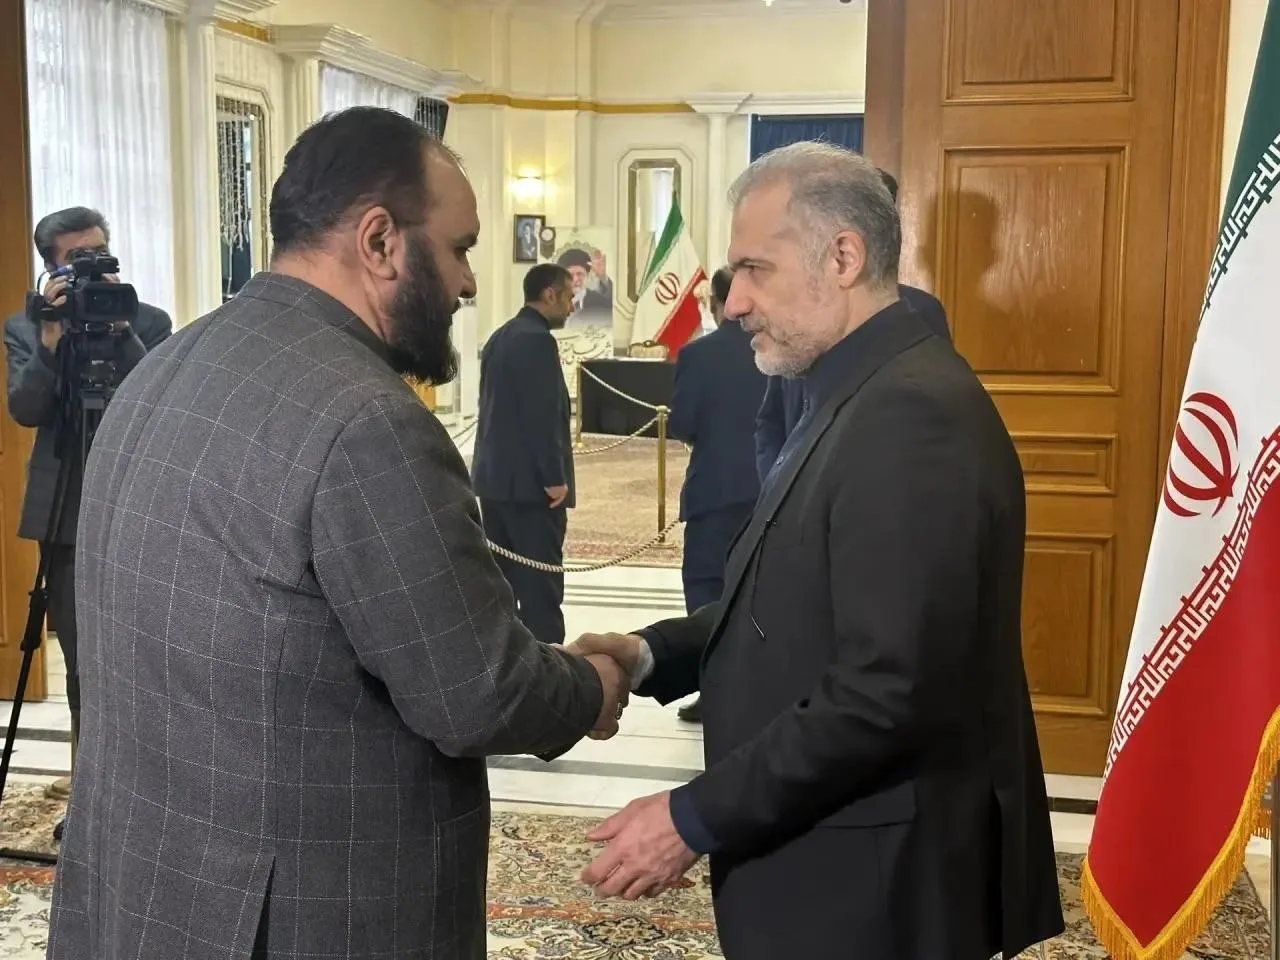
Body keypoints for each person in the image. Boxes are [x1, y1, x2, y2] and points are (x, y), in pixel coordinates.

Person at [46, 107, 630, 960]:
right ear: (381, 240)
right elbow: (477, 692)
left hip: (147, 891)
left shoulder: (165, 365)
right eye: (460, 248)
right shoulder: (368, 422)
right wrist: (591, 684)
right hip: (305, 917)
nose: (470, 283)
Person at [569, 142, 1063, 960]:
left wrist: (691, 819)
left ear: (842, 257)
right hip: (840, 860)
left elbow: (886, 690)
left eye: (755, 270)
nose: (734, 302)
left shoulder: (909, 417)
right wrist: (651, 652)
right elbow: (795, 598)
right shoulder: (850, 386)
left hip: (875, 885)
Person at [2, 206, 171, 817]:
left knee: (144, 653)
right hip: (65, 510)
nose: (93, 268)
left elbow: (162, 398)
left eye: (99, 252)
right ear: (51, 268)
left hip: (139, 505)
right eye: (77, 259)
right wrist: (50, 340)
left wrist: (122, 331)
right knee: (80, 658)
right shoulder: (28, 326)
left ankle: (147, 785)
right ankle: (90, 793)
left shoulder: (147, 320)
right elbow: (27, 409)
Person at [753, 167, 951, 482]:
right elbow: (771, 418)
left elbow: (934, 417)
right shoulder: (792, 309)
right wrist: (776, 485)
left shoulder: (923, 311)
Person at [665, 265, 766, 724]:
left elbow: (683, 424)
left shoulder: (698, 355)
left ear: (715, 303)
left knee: (707, 588)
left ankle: (714, 690)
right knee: (763, 589)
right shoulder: (778, 349)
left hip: (714, 491)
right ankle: (760, 690)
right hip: (773, 491)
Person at [472, 262, 576, 645]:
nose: (572, 306)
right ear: (550, 294)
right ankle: (547, 667)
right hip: (531, 490)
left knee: (502, 588)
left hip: (495, 484)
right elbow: (541, 415)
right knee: (540, 591)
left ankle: (508, 663)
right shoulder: (538, 341)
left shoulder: (500, 336)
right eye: (569, 297)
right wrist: (553, 478)